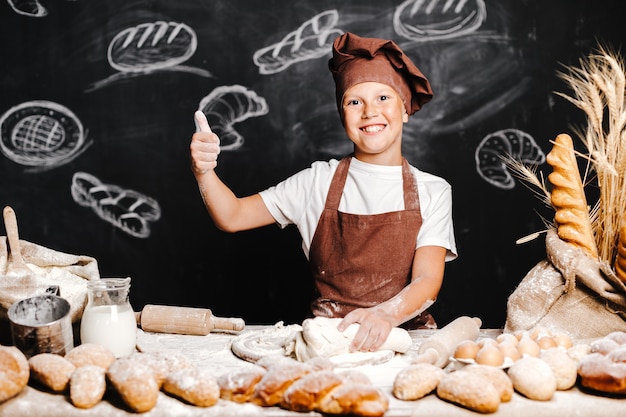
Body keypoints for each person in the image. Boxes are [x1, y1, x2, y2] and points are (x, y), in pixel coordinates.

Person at [190, 32, 457, 353]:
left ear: (404, 110)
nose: (370, 111)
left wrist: (384, 314)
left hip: (408, 341)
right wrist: (204, 171)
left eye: (383, 98)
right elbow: (231, 216)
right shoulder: (316, 182)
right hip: (326, 343)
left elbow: (427, 280)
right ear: (342, 114)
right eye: (354, 101)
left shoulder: (433, 190)